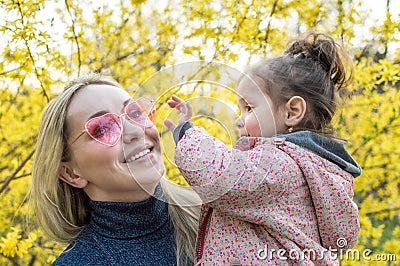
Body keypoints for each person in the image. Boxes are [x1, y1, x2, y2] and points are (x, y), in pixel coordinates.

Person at [164, 32, 361, 265]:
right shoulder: (313, 170)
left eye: (248, 108)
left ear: (292, 112)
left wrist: (188, 134)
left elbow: (218, 175)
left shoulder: (279, 165)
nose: (239, 120)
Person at [31, 73, 200, 266]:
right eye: (102, 129)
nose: (135, 131)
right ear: (71, 173)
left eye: (135, 113)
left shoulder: (214, 213)